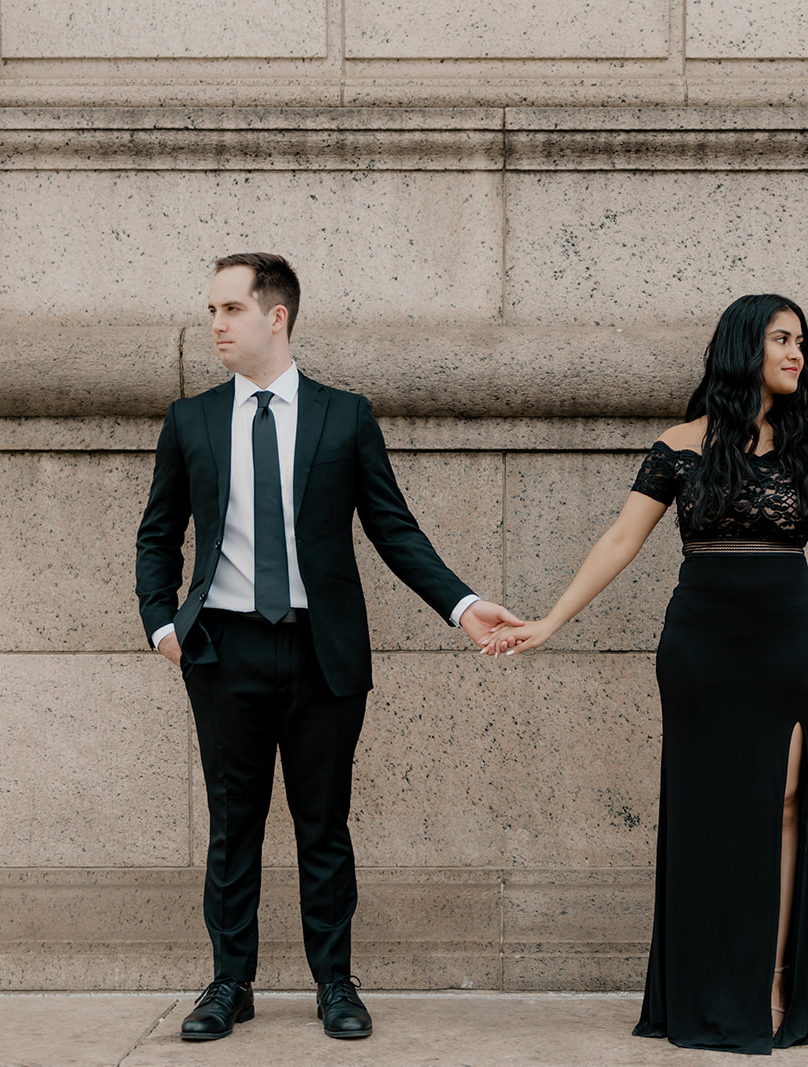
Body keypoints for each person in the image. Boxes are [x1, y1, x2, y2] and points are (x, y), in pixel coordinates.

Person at [135, 252, 519, 1043]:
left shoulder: (345, 416)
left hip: (323, 653)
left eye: (231, 309)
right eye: (211, 309)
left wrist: (463, 604)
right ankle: (229, 983)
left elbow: (392, 527)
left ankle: (335, 981)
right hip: (223, 650)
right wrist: (162, 623)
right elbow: (158, 533)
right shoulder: (192, 420)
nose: (215, 324)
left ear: (276, 316)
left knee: (324, 825)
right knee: (232, 825)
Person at [488, 294, 808, 1053]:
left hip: (788, 642)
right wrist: (551, 620)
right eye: (783, 340)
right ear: (743, 346)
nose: (799, 355)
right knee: (704, 809)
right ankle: (697, 984)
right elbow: (621, 539)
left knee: (783, 802)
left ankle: (773, 979)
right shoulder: (679, 445)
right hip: (700, 647)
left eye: (803, 343)